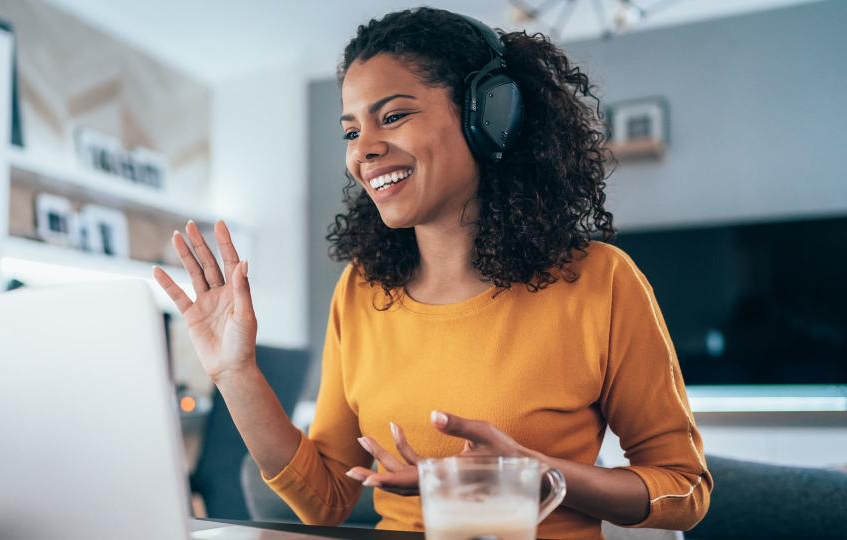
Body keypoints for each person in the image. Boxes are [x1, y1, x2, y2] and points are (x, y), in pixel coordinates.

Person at [153, 7, 712, 539]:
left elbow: (684, 489)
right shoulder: (363, 290)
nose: (364, 151)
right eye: (351, 131)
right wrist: (236, 373)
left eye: (393, 116)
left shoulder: (600, 281)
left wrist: (538, 473)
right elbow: (325, 501)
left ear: (490, 116)